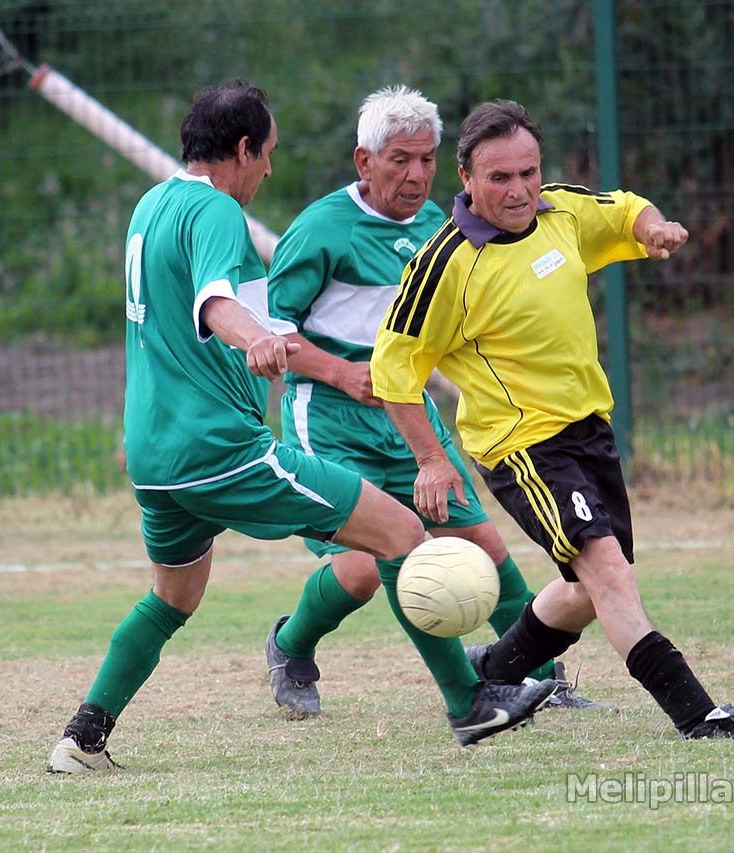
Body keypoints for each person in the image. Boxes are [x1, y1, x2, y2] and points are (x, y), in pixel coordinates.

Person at [46, 82, 556, 773]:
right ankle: (469, 702)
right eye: (267, 154)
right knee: (402, 531)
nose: (269, 171)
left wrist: (256, 335)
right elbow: (218, 301)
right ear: (244, 148)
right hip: (218, 448)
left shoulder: (152, 204)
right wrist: (254, 338)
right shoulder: (217, 210)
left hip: (153, 455)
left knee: (174, 598)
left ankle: (83, 736)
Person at [369, 99, 734, 740]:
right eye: (499, 177)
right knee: (609, 573)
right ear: (467, 179)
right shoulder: (443, 265)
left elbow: (623, 207)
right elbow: (393, 372)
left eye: (528, 172)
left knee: (587, 590)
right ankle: (699, 715)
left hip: (590, 430)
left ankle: (492, 674)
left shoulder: (560, 211)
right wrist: (430, 458)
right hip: (523, 445)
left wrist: (656, 227)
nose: (519, 189)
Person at [263, 85, 605, 719]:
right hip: (331, 424)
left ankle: (543, 677)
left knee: (483, 543)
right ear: (364, 162)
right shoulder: (318, 231)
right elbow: (270, 334)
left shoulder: (447, 227)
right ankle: (290, 646)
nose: (415, 174)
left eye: (426, 159)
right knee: (364, 570)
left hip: (409, 417)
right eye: (399, 159)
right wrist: (340, 373)